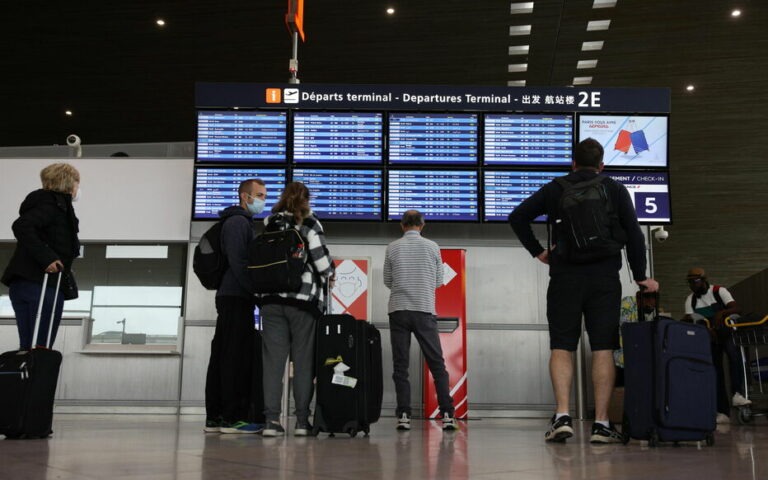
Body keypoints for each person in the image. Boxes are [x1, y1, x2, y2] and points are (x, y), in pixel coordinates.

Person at [509, 138, 659, 444]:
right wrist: (641, 276)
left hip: (565, 277)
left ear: (573, 164)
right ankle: (601, 424)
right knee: (603, 347)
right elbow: (633, 233)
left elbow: (518, 216)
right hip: (605, 279)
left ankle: (562, 416)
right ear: (601, 165)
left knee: (562, 346)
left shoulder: (555, 187)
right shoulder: (614, 188)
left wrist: (538, 252)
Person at [257, 182, 334, 437]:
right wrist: (330, 273)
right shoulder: (310, 223)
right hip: (302, 301)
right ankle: (302, 421)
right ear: (307, 200)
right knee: (303, 362)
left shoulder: (270, 222)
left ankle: (271, 421)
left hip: (269, 299)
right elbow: (321, 261)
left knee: (273, 363)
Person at [384, 210, 458, 432]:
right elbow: (438, 281)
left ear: (402, 225)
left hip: (398, 310)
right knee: (437, 364)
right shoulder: (433, 247)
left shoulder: (392, 247)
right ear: (422, 225)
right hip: (424, 310)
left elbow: (387, 280)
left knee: (400, 365)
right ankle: (447, 415)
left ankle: (404, 415)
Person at [204, 178, 267, 434]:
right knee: (233, 357)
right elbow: (239, 261)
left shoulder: (238, 222)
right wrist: (255, 290)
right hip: (235, 296)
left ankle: (217, 416)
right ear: (245, 196)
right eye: (259, 195)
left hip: (232, 296)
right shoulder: (238, 223)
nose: (262, 200)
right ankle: (231, 418)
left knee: (223, 354)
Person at [2, 163, 81, 350]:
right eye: (77, 182)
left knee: (29, 348)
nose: (79, 187)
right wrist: (47, 258)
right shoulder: (53, 204)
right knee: (41, 349)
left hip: (23, 284)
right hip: (42, 285)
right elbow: (22, 226)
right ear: (69, 183)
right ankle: (37, 379)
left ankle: (24, 379)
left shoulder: (46, 203)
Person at [683, 267, 749, 423]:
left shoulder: (719, 291)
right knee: (716, 371)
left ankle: (737, 394)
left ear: (704, 280)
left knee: (734, 357)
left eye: (696, 281)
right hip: (709, 338)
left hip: (726, 333)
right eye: (690, 282)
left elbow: (737, 308)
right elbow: (688, 319)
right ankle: (722, 411)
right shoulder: (691, 300)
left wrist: (721, 313)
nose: (693, 284)